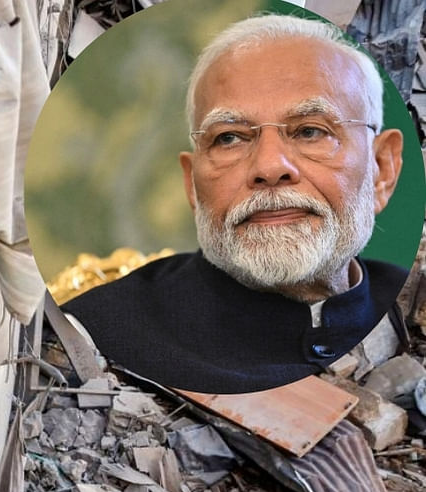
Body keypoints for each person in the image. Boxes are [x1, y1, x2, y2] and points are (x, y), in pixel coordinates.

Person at [62, 14, 406, 394]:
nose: (270, 167)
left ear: (382, 169)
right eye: (229, 139)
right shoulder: (98, 334)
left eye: (311, 131)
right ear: (192, 184)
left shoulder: (406, 308)